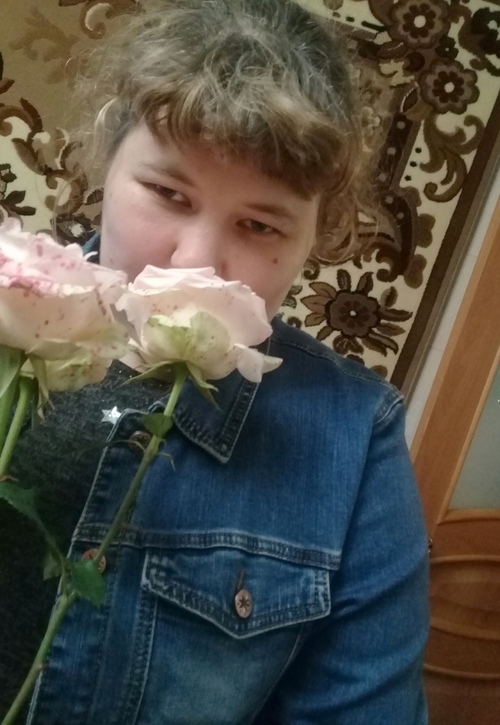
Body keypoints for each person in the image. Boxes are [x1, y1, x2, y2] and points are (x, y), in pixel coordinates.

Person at [0, 0, 429, 722]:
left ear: (316, 238)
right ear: (107, 160)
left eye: (260, 225)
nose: (195, 262)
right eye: (168, 194)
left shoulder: (354, 441)